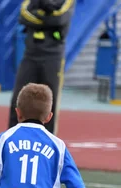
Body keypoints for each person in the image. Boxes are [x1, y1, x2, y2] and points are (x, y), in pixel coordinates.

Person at [8, 0, 75, 135]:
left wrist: (39, 13)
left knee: (50, 101)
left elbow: (59, 19)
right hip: (30, 55)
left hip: (53, 57)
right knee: (18, 98)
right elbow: (24, 15)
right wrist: (47, 18)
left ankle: (48, 140)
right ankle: (12, 138)